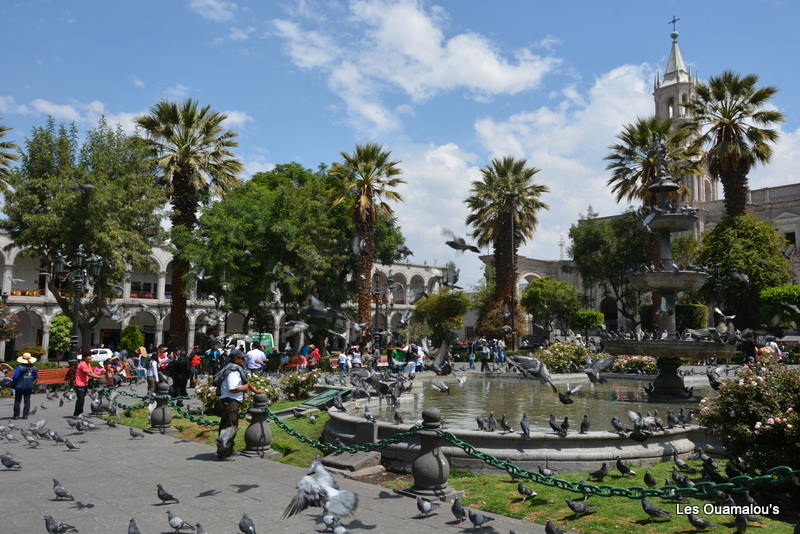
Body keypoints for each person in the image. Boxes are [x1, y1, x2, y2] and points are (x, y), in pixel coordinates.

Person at [216, 349, 264, 460]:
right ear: (236, 359)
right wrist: (245, 388)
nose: (244, 360)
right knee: (229, 428)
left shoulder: (235, 369)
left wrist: (255, 390)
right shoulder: (233, 372)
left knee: (228, 427)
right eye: (242, 358)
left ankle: (229, 450)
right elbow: (233, 389)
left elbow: (246, 381)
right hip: (230, 402)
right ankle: (223, 453)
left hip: (229, 402)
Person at [74, 352, 103, 417]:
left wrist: (98, 376)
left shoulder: (88, 364)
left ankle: (79, 413)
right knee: (81, 399)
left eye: (91, 356)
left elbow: (91, 372)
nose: (91, 357)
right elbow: (88, 373)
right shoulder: (83, 364)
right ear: (85, 357)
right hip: (79, 384)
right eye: (89, 356)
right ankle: (77, 414)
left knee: (82, 399)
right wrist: (99, 377)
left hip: (84, 384)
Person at [12, 353, 39, 419]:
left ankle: (16, 415)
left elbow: (15, 377)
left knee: (17, 401)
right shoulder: (33, 367)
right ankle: (25, 415)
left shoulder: (19, 367)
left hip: (19, 386)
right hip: (29, 386)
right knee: (27, 400)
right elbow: (36, 376)